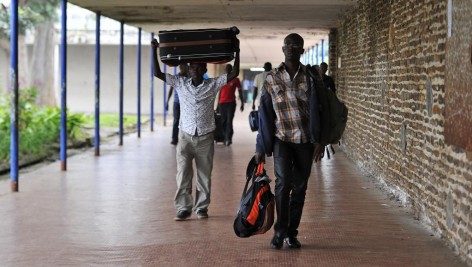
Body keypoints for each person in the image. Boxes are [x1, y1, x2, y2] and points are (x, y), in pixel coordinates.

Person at [151, 38, 240, 221]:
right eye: (193, 68)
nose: (195, 70)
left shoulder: (213, 84)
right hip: (185, 136)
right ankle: (183, 207)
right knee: (183, 173)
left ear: (205, 70)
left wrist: (237, 51)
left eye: (199, 68)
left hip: (206, 137)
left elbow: (235, 72)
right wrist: (154, 50)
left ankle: (201, 208)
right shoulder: (180, 84)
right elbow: (157, 73)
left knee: (204, 175)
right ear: (189, 70)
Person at [255, 33, 324, 249]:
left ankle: (291, 233)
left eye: (297, 45)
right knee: (283, 183)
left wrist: (320, 140)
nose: (292, 48)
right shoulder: (271, 78)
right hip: (281, 139)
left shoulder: (311, 78)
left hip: (304, 140)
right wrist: (260, 146)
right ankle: (279, 231)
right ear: (283, 49)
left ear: (302, 51)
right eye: (289, 45)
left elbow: (321, 111)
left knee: (300, 187)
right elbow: (264, 114)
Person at [218, 64, 244, 146]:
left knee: (229, 121)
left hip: (231, 103)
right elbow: (219, 92)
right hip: (222, 103)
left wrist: (242, 103)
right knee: (223, 121)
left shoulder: (235, 80)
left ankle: (228, 138)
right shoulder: (222, 79)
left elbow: (240, 91)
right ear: (225, 70)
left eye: (229, 68)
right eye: (226, 69)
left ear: (231, 69)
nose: (227, 70)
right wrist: (217, 104)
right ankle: (224, 137)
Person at [166, 63, 189, 145]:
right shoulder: (175, 77)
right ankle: (174, 139)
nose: (185, 68)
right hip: (176, 103)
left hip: (186, 103)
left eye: (186, 67)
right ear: (180, 67)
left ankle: (185, 139)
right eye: (184, 67)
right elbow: (171, 90)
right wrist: (167, 102)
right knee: (176, 121)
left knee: (186, 121)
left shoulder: (189, 77)